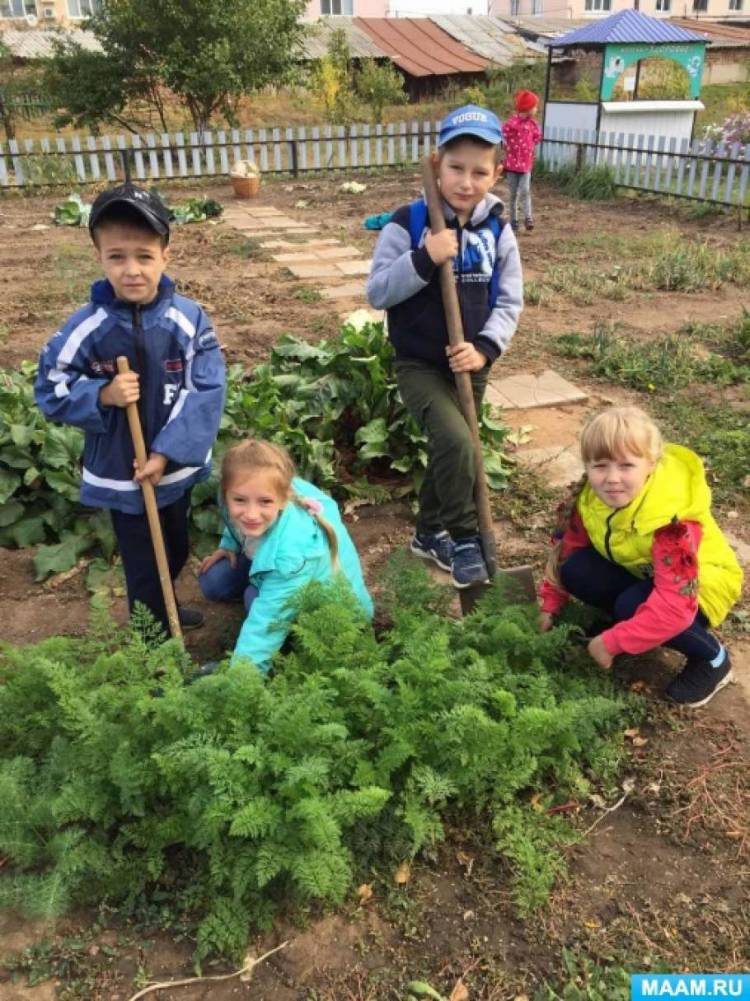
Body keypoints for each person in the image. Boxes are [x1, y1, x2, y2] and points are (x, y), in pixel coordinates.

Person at [35, 183, 225, 636]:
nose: (132, 270)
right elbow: (50, 385)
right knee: (143, 560)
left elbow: (207, 387)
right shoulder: (87, 327)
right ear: (100, 257)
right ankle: (155, 644)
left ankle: (165, 605)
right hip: (123, 472)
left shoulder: (188, 319)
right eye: (117, 256)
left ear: (165, 256)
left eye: (144, 256)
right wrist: (102, 395)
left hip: (170, 468)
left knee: (174, 548)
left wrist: (165, 454)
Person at [366, 103, 523, 589]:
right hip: (419, 364)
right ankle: (462, 536)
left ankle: (428, 531)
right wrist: (423, 258)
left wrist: (485, 349)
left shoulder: (497, 227)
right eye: (456, 168)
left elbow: (510, 299)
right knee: (458, 443)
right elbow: (377, 292)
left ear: (497, 172)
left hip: (469, 363)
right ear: (437, 164)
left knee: (451, 450)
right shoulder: (408, 221)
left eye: (480, 172)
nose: (466, 181)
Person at [540, 407, 743, 708]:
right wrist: (550, 605)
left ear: (651, 464)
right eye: (600, 465)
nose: (611, 478)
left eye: (626, 466)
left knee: (633, 605)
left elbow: (675, 606)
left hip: (701, 585)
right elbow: (567, 548)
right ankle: (631, 622)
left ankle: (713, 659)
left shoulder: (672, 524)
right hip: (647, 573)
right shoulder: (591, 498)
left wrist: (612, 642)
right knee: (577, 569)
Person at [198, 438, 373, 673]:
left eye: (264, 502)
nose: (251, 513)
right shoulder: (249, 487)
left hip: (336, 616)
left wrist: (240, 679)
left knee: (255, 599)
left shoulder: (293, 557)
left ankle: (287, 641)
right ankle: (266, 588)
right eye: (239, 500)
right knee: (213, 580)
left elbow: (263, 628)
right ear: (226, 492)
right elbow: (233, 520)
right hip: (277, 561)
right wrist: (228, 544)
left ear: (282, 499)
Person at [501, 90, 543, 233]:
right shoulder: (512, 123)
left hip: (525, 166)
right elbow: (503, 134)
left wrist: (530, 151)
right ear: (527, 108)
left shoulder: (533, 125)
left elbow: (537, 138)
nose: (537, 109)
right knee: (513, 194)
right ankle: (513, 221)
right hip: (512, 165)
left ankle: (528, 218)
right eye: (535, 106)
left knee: (525, 191)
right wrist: (506, 146)